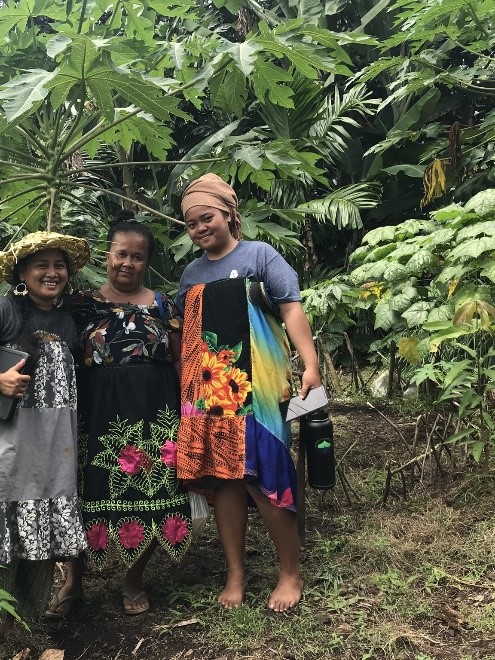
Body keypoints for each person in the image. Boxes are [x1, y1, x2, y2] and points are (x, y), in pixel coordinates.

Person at [176, 173, 321, 613]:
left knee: (267, 477)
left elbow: (291, 308)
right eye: (192, 224)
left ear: (229, 215)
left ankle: (290, 571)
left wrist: (310, 363)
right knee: (224, 483)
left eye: (208, 218)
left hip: (257, 387)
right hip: (208, 392)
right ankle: (235, 572)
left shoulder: (260, 255)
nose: (201, 228)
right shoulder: (191, 272)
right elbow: (185, 332)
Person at [0, 231, 91, 659]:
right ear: (21, 273)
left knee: (35, 531)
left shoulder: (66, 322)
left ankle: (8, 620)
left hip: (51, 447)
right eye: (41, 265)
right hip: (3, 442)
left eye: (59, 265)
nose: (52, 273)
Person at [46, 216, 192, 618]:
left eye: (138, 256)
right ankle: (73, 582)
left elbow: (180, 360)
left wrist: (188, 412)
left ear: (147, 261)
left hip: (153, 410)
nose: (127, 263)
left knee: (152, 490)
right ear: (108, 254)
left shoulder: (165, 304)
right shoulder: (77, 305)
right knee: (84, 489)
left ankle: (133, 579)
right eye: (121, 254)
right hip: (94, 411)